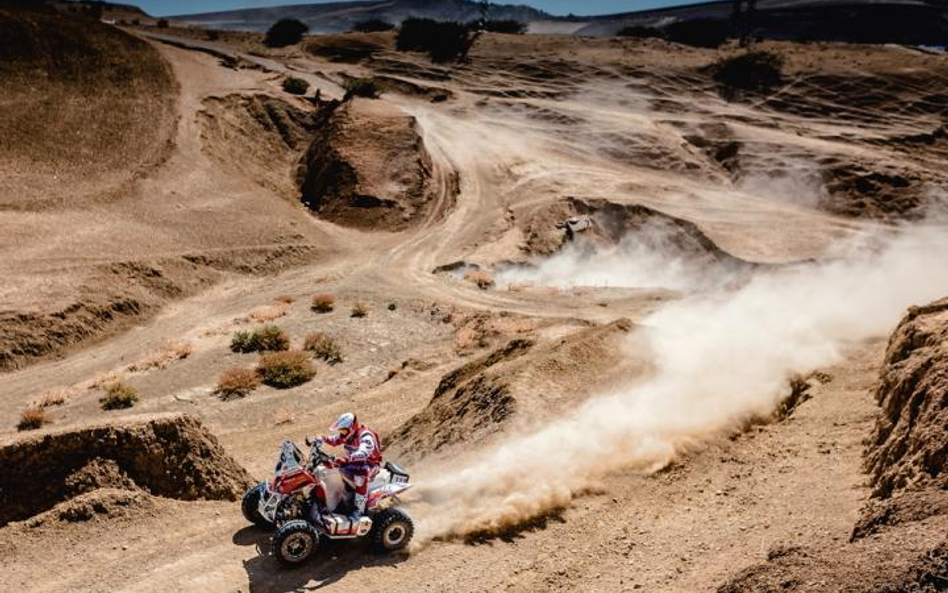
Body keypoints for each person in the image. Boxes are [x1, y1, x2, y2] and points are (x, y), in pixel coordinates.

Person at [317, 412, 382, 520]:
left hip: (370, 465)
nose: (341, 433)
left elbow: (364, 451)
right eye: (340, 430)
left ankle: (358, 510)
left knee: (361, 474)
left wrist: (348, 459)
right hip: (354, 463)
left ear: (352, 428)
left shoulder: (365, 435)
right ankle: (340, 502)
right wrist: (321, 438)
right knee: (334, 470)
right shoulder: (348, 435)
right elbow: (334, 440)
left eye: (343, 430)